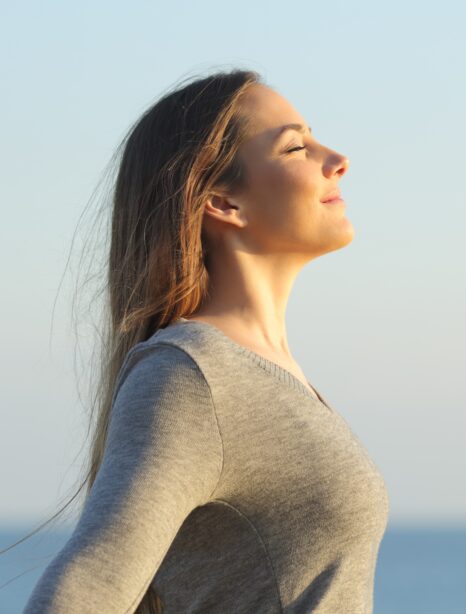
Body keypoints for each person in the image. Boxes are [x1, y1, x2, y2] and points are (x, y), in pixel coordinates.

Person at [20, 68, 390, 613]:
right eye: (295, 148)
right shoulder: (190, 375)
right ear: (221, 202)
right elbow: (86, 589)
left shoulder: (262, 373)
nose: (337, 158)